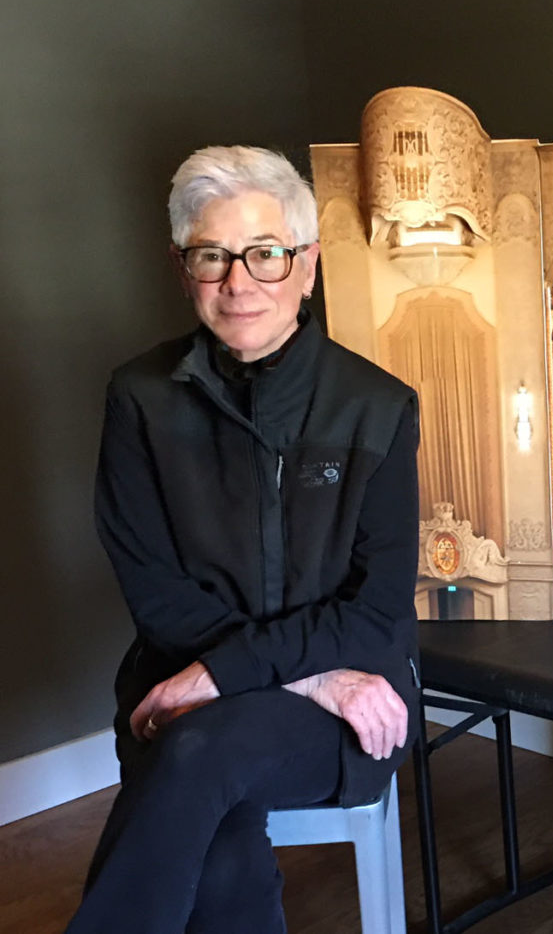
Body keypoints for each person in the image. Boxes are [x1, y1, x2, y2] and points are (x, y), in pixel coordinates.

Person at [66, 146, 420, 934]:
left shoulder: (376, 407)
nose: (239, 282)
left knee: (194, 755)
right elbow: (155, 591)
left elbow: (380, 612)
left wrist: (262, 680)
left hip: (347, 710)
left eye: (265, 254)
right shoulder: (140, 399)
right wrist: (306, 676)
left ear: (307, 265)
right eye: (212, 256)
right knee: (217, 841)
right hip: (190, 682)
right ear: (181, 266)